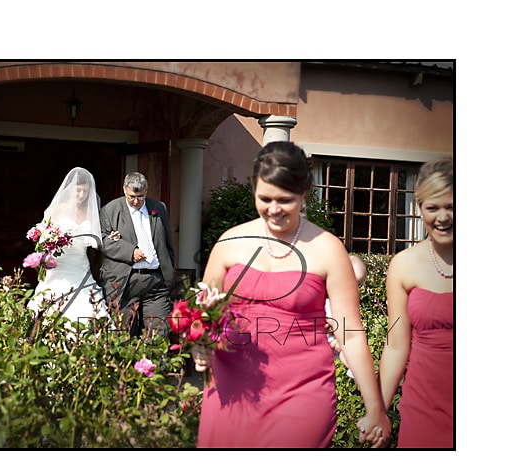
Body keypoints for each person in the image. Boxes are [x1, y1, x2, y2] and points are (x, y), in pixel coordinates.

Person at [191, 141, 390, 448]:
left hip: (303, 391)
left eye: (284, 200)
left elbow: (350, 333)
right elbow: (203, 313)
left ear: (304, 193)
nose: (273, 210)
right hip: (232, 389)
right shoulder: (230, 243)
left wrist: (375, 408)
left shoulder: (328, 249)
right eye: (264, 198)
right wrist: (200, 343)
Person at [373, 156, 453, 448]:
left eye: (452, 206)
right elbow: (396, 346)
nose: (442, 217)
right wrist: (378, 411)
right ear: (420, 208)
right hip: (422, 411)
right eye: (432, 208)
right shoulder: (403, 265)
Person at [27, 167, 109, 325]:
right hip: (58, 265)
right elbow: (43, 234)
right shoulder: (57, 209)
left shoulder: (91, 212)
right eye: (78, 191)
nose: (81, 195)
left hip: (80, 266)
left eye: (85, 191)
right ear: (71, 189)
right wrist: (49, 240)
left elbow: (98, 240)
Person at [99, 171, 176, 337]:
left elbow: (167, 242)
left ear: (146, 191)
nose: (136, 201)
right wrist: (130, 251)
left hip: (156, 282)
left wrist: (169, 271)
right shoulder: (110, 210)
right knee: (122, 337)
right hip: (125, 282)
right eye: (131, 197)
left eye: (140, 197)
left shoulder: (158, 208)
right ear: (124, 190)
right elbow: (102, 241)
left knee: (158, 335)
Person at [328, 255, 367, 379]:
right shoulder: (328, 294)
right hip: (324, 337)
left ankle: (357, 373)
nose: (352, 289)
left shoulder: (346, 299)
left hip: (336, 338)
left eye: (357, 285)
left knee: (350, 353)